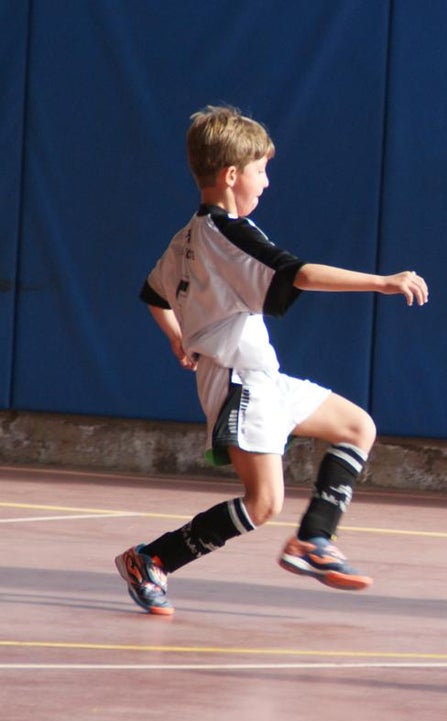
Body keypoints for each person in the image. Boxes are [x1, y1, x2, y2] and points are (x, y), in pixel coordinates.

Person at [115, 104, 429, 616]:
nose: (266, 182)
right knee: (263, 503)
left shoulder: (185, 239)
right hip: (238, 382)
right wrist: (382, 281)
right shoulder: (230, 232)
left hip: (261, 376)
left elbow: (153, 293)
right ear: (231, 175)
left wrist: (178, 337)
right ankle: (150, 559)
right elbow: (299, 274)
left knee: (357, 427)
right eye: (261, 170)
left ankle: (313, 541)